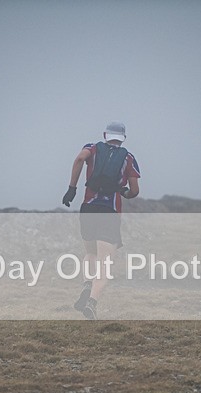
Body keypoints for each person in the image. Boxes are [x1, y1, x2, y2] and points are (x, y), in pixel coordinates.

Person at [61, 121, 141, 319]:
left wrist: (72, 188)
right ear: (123, 138)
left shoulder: (92, 148)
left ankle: (87, 285)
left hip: (88, 208)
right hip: (109, 212)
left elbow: (80, 159)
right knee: (106, 264)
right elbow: (134, 191)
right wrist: (124, 192)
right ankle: (92, 302)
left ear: (106, 135)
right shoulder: (129, 158)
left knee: (90, 253)